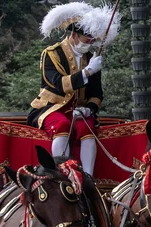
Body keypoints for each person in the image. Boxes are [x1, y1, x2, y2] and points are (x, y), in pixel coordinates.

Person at [29, 2, 119, 176]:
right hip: (50, 108)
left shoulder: (90, 57)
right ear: (74, 35)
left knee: (88, 127)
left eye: (93, 40)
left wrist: (89, 109)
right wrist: (88, 71)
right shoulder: (51, 54)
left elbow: (96, 93)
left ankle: (88, 177)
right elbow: (59, 84)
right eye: (87, 39)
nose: (90, 43)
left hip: (78, 111)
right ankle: (60, 174)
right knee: (62, 125)